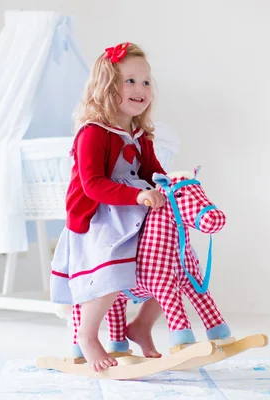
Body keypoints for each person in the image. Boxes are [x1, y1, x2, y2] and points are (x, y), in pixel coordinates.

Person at [50, 42, 166, 372]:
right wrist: (138, 196)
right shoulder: (93, 132)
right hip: (98, 219)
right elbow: (93, 184)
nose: (140, 89)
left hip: (132, 216)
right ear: (107, 85)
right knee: (112, 271)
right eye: (130, 80)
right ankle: (87, 336)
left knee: (172, 262)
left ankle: (141, 325)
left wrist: (175, 187)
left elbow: (153, 174)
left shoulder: (140, 134)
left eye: (145, 82)